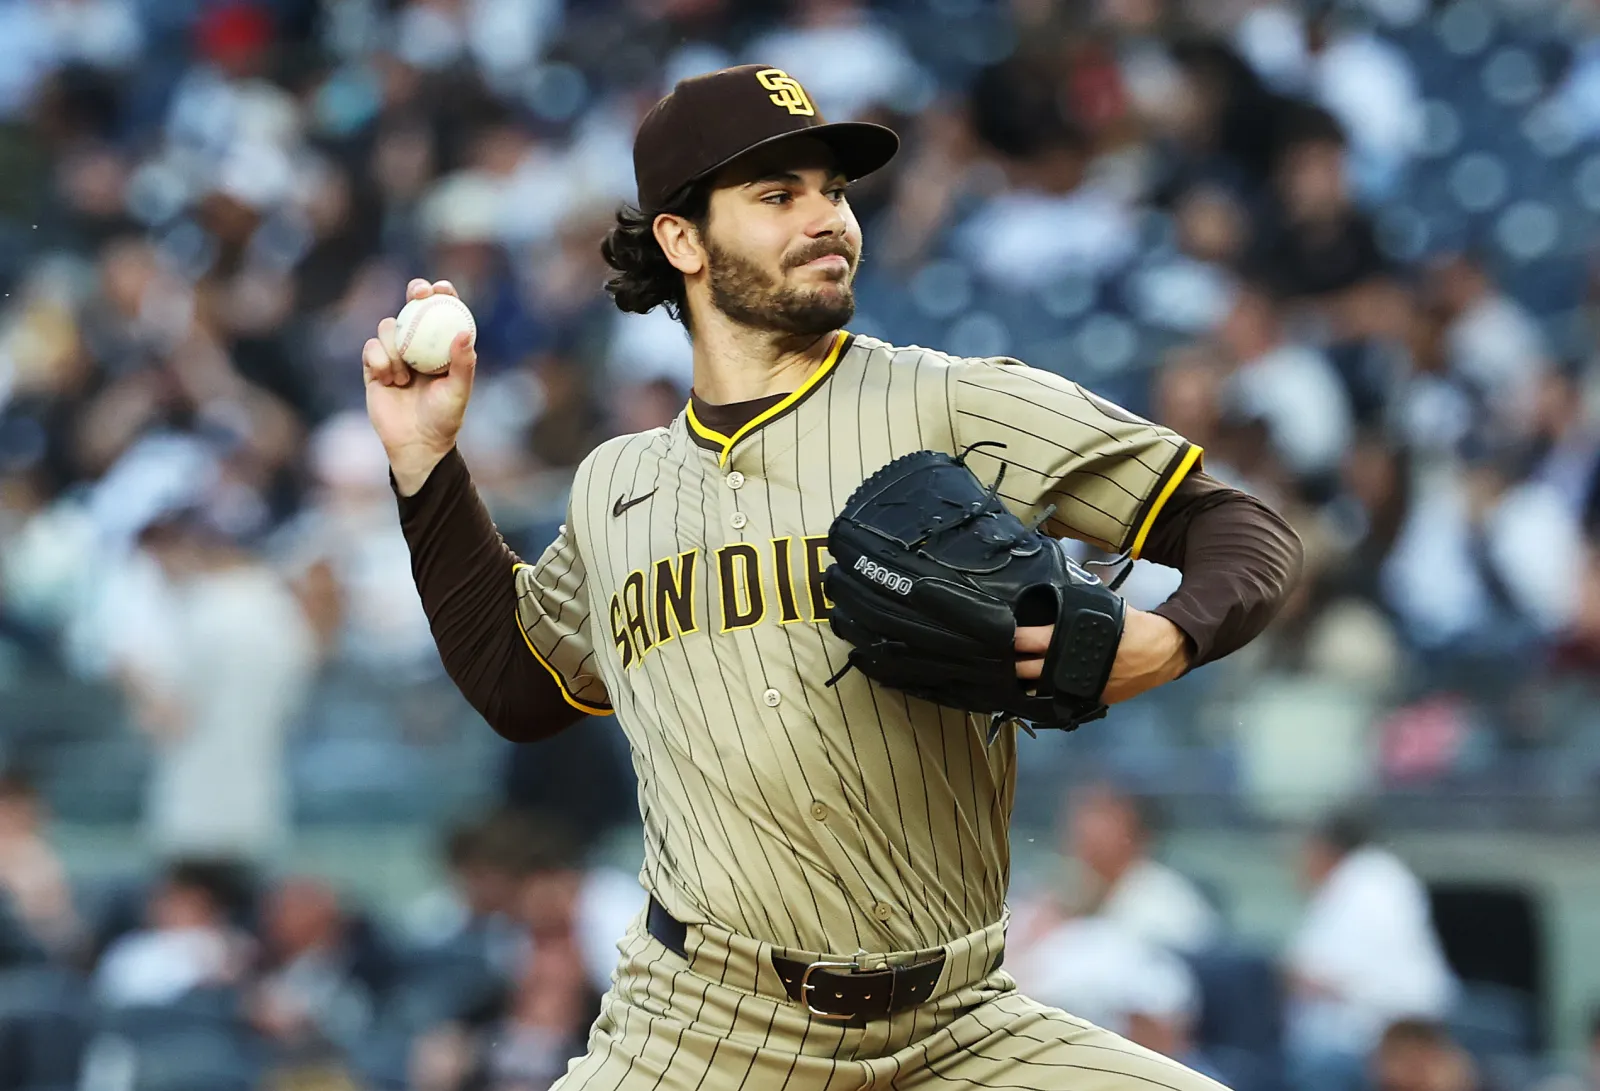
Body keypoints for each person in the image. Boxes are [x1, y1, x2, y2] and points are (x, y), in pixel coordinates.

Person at [365, 64, 1302, 1091]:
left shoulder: (950, 403)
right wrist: (424, 466)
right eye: (777, 195)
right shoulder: (613, 484)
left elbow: (1235, 524)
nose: (825, 218)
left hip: (962, 1021)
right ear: (680, 239)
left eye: (834, 190)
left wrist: (1169, 635)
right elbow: (517, 683)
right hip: (698, 1031)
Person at [1285, 810, 1457, 1091]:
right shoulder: (1375, 876)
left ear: (1323, 849)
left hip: (1389, 1037)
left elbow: (1317, 976)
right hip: (1382, 1032)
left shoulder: (1365, 886)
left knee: (1312, 1067)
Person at [1066, 781, 1223, 954]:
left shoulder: (1162, 904)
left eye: (1101, 815)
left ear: (1138, 830)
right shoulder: (1083, 893)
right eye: (1083, 813)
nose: (1085, 827)